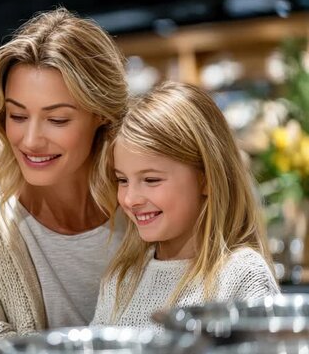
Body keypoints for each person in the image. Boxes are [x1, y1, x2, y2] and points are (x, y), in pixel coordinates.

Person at [0, 8, 128, 353]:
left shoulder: (143, 211)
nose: (30, 140)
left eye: (57, 119)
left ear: (102, 113)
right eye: (18, 115)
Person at [91, 81, 280, 333]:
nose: (130, 199)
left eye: (151, 180)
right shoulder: (120, 280)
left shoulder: (242, 275)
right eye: (122, 180)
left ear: (206, 179)